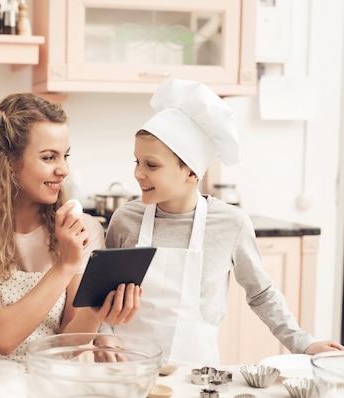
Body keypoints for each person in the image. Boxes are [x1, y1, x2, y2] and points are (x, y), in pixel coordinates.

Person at [102, 79, 344, 366]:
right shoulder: (125, 220)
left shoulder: (230, 224)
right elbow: (102, 294)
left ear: (192, 172)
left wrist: (304, 343)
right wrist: (103, 333)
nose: (138, 174)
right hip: (126, 367)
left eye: (151, 165)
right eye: (136, 162)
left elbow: (261, 293)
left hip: (196, 374)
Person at [0, 92, 139, 364]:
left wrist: (96, 311)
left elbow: (69, 342)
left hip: (56, 382)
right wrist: (66, 265)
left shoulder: (84, 229)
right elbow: (1, 338)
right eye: (49, 158)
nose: (64, 169)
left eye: (65, 156)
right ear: (9, 161)